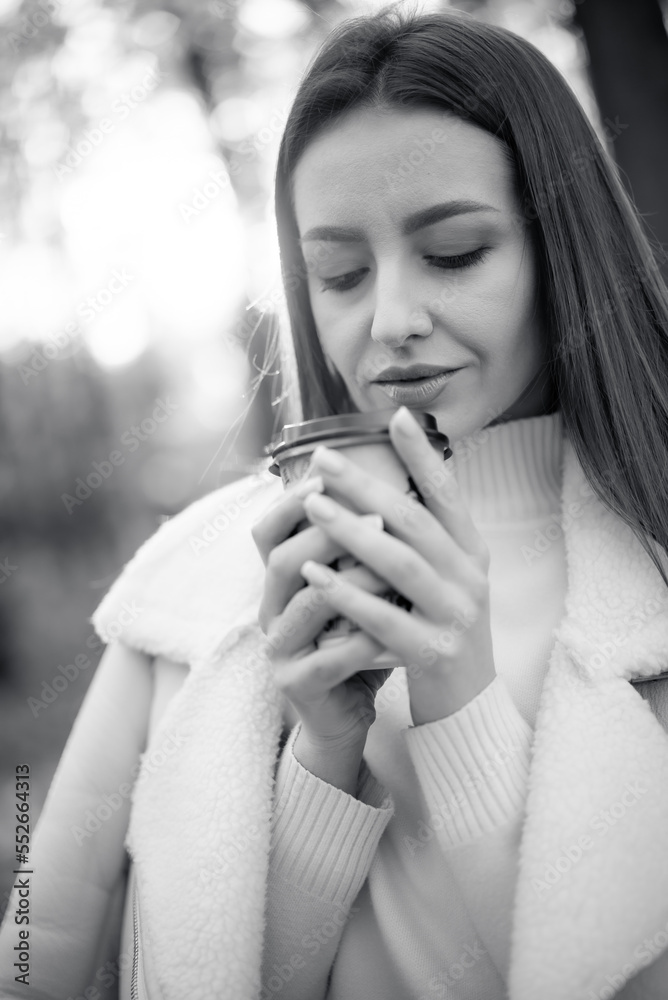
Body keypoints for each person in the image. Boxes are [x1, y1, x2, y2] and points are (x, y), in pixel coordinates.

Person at [2, 7, 668, 1000]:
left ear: (559, 254)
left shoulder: (646, 569)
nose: (390, 322)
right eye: (340, 273)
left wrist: (459, 710)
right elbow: (32, 936)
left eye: (452, 254)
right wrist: (320, 758)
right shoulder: (189, 578)